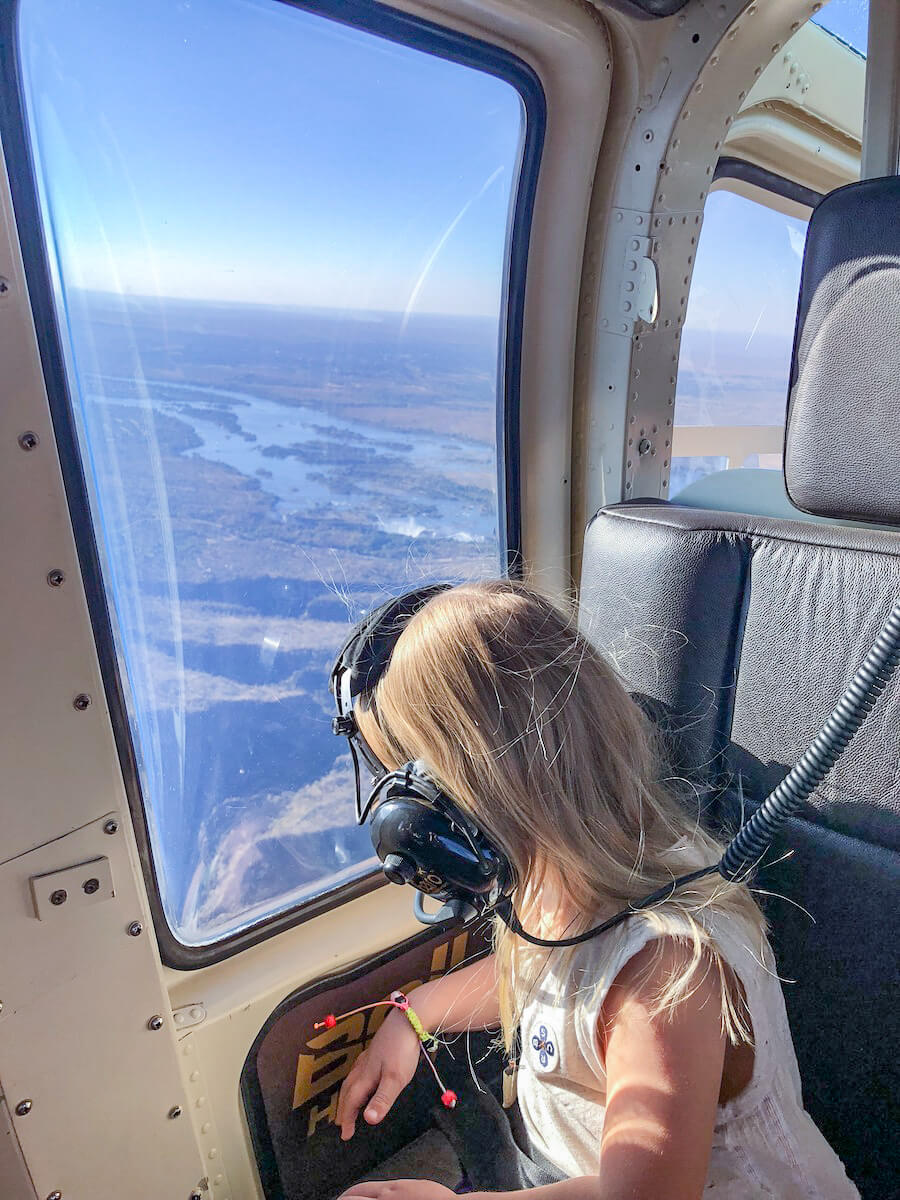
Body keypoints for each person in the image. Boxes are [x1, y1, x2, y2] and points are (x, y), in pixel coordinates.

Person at [333, 580, 860, 1199]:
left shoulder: (667, 972)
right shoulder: (555, 889)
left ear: (480, 793)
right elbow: (552, 985)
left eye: (414, 790)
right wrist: (417, 1012)